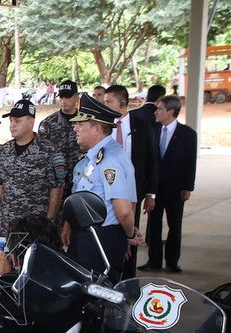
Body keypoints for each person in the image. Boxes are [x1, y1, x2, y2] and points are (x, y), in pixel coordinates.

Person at [61, 93, 137, 282]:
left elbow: (125, 211)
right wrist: (69, 224)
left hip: (101, 239)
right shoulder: (91, 157)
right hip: (85, 236)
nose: (75, 128)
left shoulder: (109, 159)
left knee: (99, 297)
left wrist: (128, 236)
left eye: (80, 124)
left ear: (97, 129)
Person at [0, 99, 65, 237]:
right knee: (7, 259)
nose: (12, 125)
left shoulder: (50, 151)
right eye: (11, 121)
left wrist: (49, 222)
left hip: (36, 227)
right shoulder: (5, 150)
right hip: (8, 224)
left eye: (17, 121)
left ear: (31, 122)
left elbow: (57, 189)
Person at [103, 85, 158, 279]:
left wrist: (151, 193)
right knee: (112, 233)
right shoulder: (104, 126)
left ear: (123, 103)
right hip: (108, 190)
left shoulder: (141, 124)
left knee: (131, 233)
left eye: (108, 102)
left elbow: (152, 160)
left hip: (133, 191)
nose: (105, 105)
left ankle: (128, 280)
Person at [139, 96, 197, 273]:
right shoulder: (153, 131)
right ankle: (154, 260)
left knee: (175, 225)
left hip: (176, 189)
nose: (156, 112)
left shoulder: (188, 134)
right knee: (154, 225)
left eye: (160, 109)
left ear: (171, 112)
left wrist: (188, 187)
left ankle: (172, 261)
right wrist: (148, 190)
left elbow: (190, 163)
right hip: (155, 189)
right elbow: (149, 161)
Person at [38, 80, 82, 198]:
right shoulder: (47, 123)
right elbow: (42, 155)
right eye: (61, 97)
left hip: (80, 181)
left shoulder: (86, 123)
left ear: (77, 97)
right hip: (55, 184)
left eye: (68, 97)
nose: (63, 101)